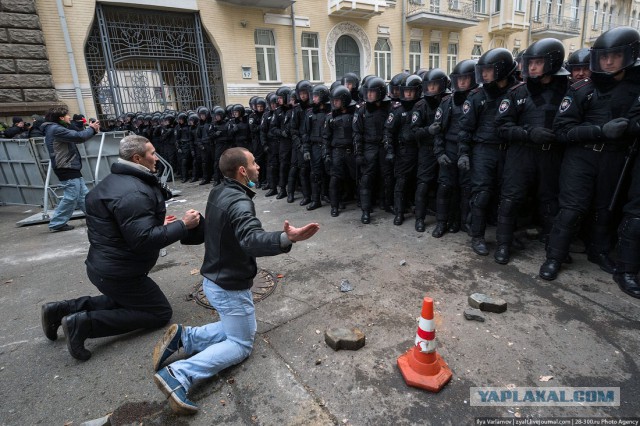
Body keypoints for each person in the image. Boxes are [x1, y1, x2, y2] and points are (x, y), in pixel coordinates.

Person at [152, 147, 319, 414]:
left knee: (243, 327)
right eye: (254, 163)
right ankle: (179, 374)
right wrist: (288, 238)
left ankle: (186, 338)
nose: (258, 167)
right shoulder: (240, 201)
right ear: (243, 170)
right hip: (227, 284)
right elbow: (250, 239)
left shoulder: (220, 189)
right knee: (241, 344)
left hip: (218, 278)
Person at [40, 135, 201, 361]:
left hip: (107, 267)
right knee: (158, 312)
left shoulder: (116, 181)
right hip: (120, 272)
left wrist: (157, 223)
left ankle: (60, 310)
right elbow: (143, 239)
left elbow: (122, 227)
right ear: (137, 158)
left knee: (127, 300)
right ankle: (84, 325)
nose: (156, 158)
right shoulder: (134, 192)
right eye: (152, 153)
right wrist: (183, 225)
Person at [539, 27, 640, 280]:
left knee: (604, 208)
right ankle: (554, 256)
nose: (607, 61)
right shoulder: (583, 89)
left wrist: (631, 127)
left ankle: (599, 251)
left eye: (615, 56)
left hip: (615, 157)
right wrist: (599, 131)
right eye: (603, 56)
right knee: (572, 208)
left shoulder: (634, 90)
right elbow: (562, 130)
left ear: (629, 55)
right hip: (581, 157)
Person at [494, 38, 570, 264]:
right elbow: (501, 126)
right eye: (530, 62)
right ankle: (503, 245)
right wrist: (528, 133)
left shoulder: (568, 91)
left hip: (551, 155)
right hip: (522, 154)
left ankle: (554, 249)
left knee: (550, 202)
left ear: (553, 63)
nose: (532, 67)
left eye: (538, 62)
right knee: (510, 199)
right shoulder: (518, 92)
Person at [459, 48, 519, 256]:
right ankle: (477, 236)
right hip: (484, 151)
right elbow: (465, 129)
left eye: (488, 70)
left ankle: (506, 239)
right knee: (482, 195)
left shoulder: (519, 92)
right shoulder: (476, 96)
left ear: (502, 70)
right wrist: (464, 153)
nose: (483, 75)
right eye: (481, 70)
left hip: (510, 151)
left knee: (508, 197)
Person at [41, 105, 101, 232]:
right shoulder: (56, 129)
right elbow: (79, 137)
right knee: (71, 196)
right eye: (67, 115)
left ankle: (95, 218)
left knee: (83, 196)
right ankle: (57, 223)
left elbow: (77, 133)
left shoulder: (57, 128)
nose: (70, 117)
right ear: (61, 117)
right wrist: (92, 129)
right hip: (66, 166)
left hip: (69, 166)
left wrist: (91, 129)